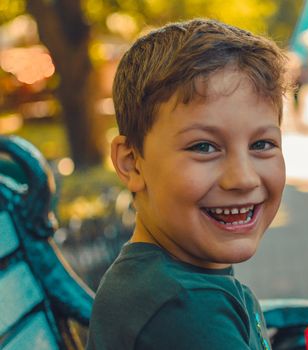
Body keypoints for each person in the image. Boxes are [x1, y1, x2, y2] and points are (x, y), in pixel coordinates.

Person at [86, 19, 288, 350]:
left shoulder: (169, 282)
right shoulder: (185, 309)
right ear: (132, 162)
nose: (244, 178)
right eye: (204, 147)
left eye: (262, 145)